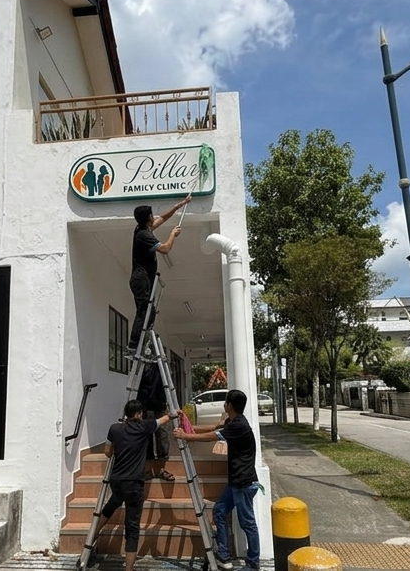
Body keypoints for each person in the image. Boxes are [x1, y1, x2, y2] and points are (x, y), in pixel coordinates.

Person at [174, 389, 259, 571]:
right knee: (219, 512)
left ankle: (253, 563)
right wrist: (185, 423)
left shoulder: (239, 426)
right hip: (236, 482)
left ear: (229, 405)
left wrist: (186, 437)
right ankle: (224, 555)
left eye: (226, 401)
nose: (224, 403)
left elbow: (211, 437)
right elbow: (212, 429)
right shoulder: (233, 421)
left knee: (247, 523)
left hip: (244, 483)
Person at [103, 400, 174, 571]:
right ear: (139, 414)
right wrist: (173, 414)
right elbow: (162, 420)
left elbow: (107, 452)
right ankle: (129, 568)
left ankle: (93, 536)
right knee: (132, 525)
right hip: (134, 483)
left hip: (117, 480)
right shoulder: (144, 427)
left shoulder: (114, 429)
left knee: (111, 505)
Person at [128, 197, 191, 352]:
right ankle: (134, 346)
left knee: (150, 311)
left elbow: (163, 217)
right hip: (141, 279)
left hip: (144, 280)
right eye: (152, 214)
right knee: (144, 311)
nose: (154, 216)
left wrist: (180, 205)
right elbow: (165, 249)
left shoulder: (144, 228)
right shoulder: (144, 235)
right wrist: (173, 234)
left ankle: (143, 343)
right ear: (149, 218)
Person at [136, 361, 174, 481]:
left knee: (161, 436)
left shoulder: (161, 365)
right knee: (147, 436)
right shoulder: (143, 364)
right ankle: (148, 470)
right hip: (145, 405)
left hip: (158, 404)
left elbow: (167, 381)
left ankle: (160, 469)